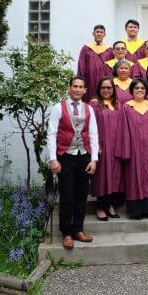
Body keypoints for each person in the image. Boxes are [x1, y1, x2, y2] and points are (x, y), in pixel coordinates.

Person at [47, 76, 98, 250]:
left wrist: (94, 159)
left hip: (84, 154)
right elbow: (52, 134)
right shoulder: (57, 108)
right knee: (67, 195)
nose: (77, 89)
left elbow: (93, 135)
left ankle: (78, 229)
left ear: (85, 90)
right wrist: (53, 158)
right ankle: (67, 233)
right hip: (66, 155)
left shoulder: (89, 108)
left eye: (80, 87)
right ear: (69, 88)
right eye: (74, 86)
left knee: (81, 194)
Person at [116, 78, 148, 220]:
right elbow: (123, 130)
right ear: (131, 91)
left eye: (142, 88)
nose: (139, 90)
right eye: (136, 88)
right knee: (134, 177)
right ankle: (135, 210)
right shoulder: (127, 107)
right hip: (133, 149)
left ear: (146, 90)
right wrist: (126, 150)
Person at [90, 77, 123, 221]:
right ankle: (100, 206)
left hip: (115, 146)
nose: (106, 90)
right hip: (101, 147)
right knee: (101, 177)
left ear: (113, 89)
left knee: (114, 177)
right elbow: (89, 127)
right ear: (99, 89)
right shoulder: (94, 104)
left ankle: (109, 205)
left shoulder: (117, 104)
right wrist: (95, 146)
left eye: (109, 88)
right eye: (103, 88)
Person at [77, 25, 113, 101]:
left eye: (101, 32)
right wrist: (81, 82)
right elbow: (81, 66)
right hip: (89, 80)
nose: (99, 34)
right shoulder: (86, 48)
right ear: (93, 34)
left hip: (104, 80)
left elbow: (111, 67)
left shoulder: (109, 50)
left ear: (104, 35)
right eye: (97, 32)